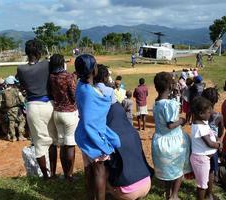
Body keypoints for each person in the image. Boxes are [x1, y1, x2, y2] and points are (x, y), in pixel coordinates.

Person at [74, 54, 121, 200]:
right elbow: (96, 116)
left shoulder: (80, 86)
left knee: (89, 169)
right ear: (93, 70)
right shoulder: (93, 93)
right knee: (100, 171)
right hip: (95, 138)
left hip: (83, 135)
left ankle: (90, 197)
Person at [17, 40, 58, 179]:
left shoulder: (21, 69)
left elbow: (22, 86)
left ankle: (45, 177)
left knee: (39, 143)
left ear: (27, 53)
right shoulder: (46, 65)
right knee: (52, 142)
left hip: (33, 107)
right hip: (49, 105)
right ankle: (53, 174)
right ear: (38, 52)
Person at [152, 72, 191, 199]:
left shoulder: (156, 103)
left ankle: (168, 192)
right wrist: (181, 120)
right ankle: (174, 195)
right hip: (173, 143)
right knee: (178, 169)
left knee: (168, 170)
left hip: (160, 140)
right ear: (169, 87)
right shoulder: (170, 104)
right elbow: (170, 125)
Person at [106, 102, 152, 200]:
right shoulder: (134, 132)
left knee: (102, 172)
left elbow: (110, 165)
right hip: (147, 183)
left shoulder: (109, 136)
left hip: (127, 191)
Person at [49, 54, 78, 181]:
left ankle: (64, 173)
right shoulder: (68, 76)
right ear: (62, 63)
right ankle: (69, 175)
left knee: (61, 144)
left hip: (57, 112)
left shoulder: (50, 77)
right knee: (70, 144)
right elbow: (73, 94)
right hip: (69, 112)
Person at [190, 96, 221, 200]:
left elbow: (210, 134)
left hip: (204, 159)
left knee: (204, 182)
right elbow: (209, 144)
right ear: (201, 114)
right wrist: (219, 145)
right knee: (202, 185)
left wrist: (216, 138)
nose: (210, 113)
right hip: (201, 160)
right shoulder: (200, 127)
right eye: (208, 112)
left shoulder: (202, 122)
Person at [201, 87, 224, 199]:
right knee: (210, 171)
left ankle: (202, 190)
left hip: (201, 145)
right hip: (213, 147)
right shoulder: (218, 116)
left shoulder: (199, 115)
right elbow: (221, 132)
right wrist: (218, 140)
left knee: (202, 169)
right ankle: (209, 194)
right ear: (215, 101)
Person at [2, 76, 26, 142]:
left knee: (11, 123)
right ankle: (21, 136)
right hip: (17, 109)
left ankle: (14, 137)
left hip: (8, 110)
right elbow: (22, 100)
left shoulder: (4, 92)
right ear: (12, 83)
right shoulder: (16, 90)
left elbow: (2, 102)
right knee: (22, 120)